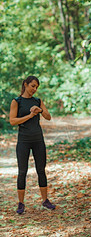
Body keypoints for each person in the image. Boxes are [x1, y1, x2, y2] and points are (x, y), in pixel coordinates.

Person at [9, 76, 56, 214]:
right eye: (32, 86)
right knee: (22, 171)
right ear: (25, 84)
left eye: (36, 87)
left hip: (38, 140)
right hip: (23, 140)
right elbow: (12, 121)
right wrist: (29, 116)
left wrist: (40, 110)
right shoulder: (16, 101)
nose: (34, 89)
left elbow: (48, 116)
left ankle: (45, 201)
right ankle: (21, 203)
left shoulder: (38, 101)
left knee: (41, 170)